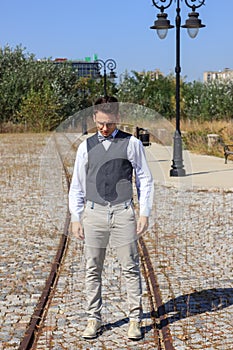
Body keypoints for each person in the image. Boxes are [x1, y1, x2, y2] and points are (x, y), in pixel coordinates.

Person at [69, 96, 154, 340]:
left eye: (108, 123)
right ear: (94, 118)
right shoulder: (85, 146)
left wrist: (144, 212)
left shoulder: (132, 143)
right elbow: (77, 185)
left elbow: (145, 179)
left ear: (117, 118)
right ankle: (93, 318)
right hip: (93, 213)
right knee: (92, 267)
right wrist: (76, 217)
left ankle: (135, 320)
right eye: (100, 124)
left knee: (130, 267)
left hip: (123, 213)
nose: (104, 129)